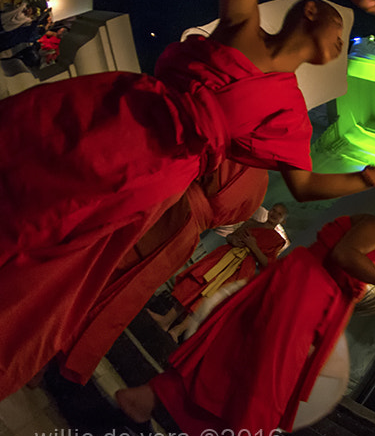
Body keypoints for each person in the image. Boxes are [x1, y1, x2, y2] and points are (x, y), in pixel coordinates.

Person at [0, 0, 375, 400]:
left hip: (154, 174)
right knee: (20, 182)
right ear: (312, 12)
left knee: (57, 249)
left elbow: (302, 184)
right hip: (115, 115)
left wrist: (374, 177)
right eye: (340, 27)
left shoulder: (289, 113)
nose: (343, 43)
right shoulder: (240, 30)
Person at [116, 204, 375, 436]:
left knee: (245, 370)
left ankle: (153, 409)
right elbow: (344, 254)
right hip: (301, 294)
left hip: (302, 297)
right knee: (268, 384)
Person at [58, 160, 269, 385]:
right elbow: (228, 227)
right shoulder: (259, 186)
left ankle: (56, 333)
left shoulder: (234, 153)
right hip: (186, 233)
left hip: (170, 206)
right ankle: (75, 354)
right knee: (128, 294)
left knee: (107, 268)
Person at [149, 203, 289, 341]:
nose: (274, 214)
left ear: (283, 220)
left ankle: (177, 331)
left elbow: (267, 264)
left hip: (241, 268)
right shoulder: (252, 223)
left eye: (279, 214)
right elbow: (231, 236)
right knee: (196, 285)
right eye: (274, 210)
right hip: (224, 255)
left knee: (209, 297)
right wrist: (233, 240)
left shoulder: (277, 241)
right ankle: (166, 320)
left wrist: (253, 246)